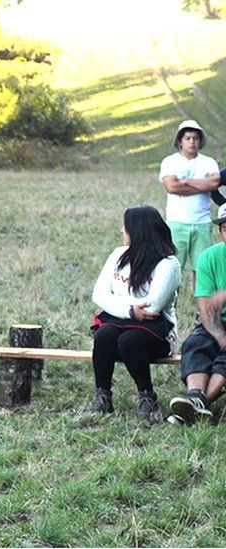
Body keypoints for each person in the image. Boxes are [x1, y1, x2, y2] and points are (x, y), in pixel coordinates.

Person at [89, 205, 180, 419]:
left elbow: (153, 307)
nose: (122, 230)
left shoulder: (168, 264)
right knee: (103, 335)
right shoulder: (118, 255)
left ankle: (147, 397)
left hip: (159, 334)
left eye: (126, 226)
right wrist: (130, 310)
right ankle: (102, 397)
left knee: (129, 340)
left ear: (138, 230)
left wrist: (117, 303)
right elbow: (99, 295)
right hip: (122, 324)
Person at [169, 203, 226, 425]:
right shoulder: (209, 257)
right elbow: (204, 305)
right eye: (224, 227)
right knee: (196, 343)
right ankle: (195, 398)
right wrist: (220, 337)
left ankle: (199, 404)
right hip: (218, 323)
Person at [160, 119, 220, 275]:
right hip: (177, 223)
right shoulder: (170, 162)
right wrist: (201, 185)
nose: (192, 142)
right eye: (188, 138)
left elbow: (214, 182)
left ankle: (200, 300)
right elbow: (171, 186)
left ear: (200, 141)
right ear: (180, 141)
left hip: (202, 223)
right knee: (173, 269)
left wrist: (185, 182)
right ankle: (172, 300)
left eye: (196, 138)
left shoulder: (208, 162)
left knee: (202, 270)